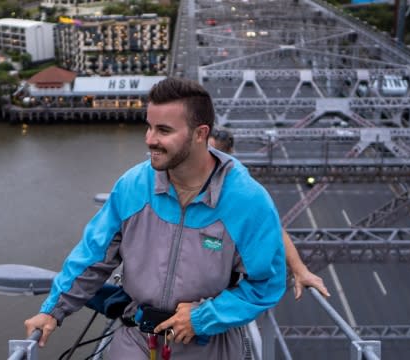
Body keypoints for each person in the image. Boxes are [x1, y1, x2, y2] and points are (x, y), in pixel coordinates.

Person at [25, 77, 286, 359]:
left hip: (206, 345)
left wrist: (204, 317)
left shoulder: (247, 201)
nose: (150, 140)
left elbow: (267, 284)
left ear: (200, 134)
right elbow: (93, 257)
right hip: (137, 338)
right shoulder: (134, 185)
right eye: (149, 127)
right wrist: (53, 311)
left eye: (163, 130)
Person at [208, 127, 330, 300]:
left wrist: (300, 270)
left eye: (211, 153)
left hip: (213, 290)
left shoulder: (238, 189)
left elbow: (270, 227)